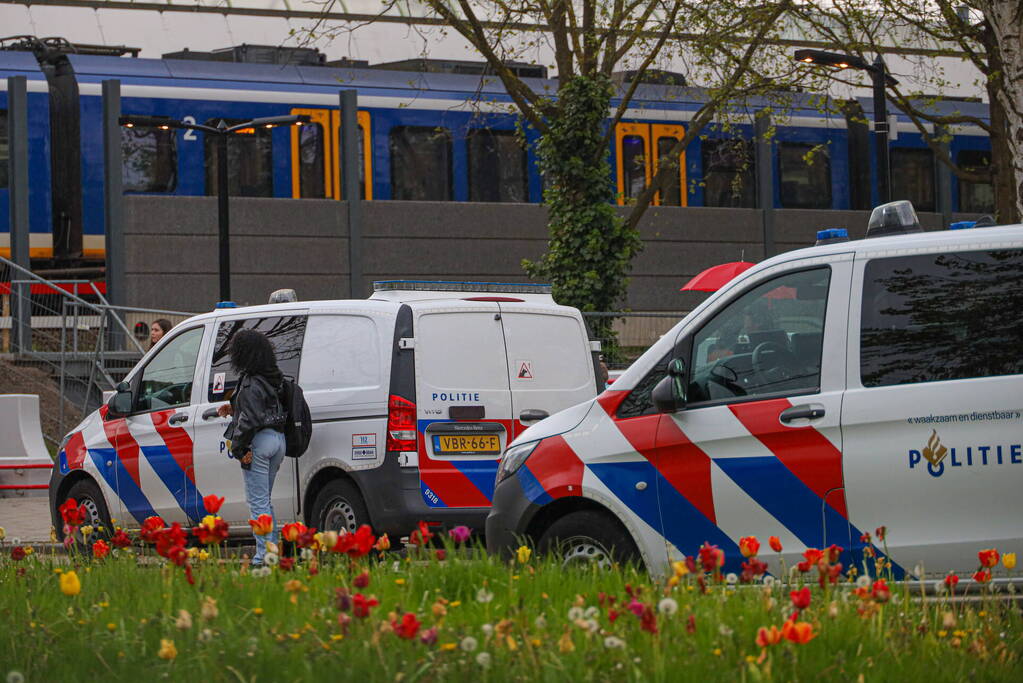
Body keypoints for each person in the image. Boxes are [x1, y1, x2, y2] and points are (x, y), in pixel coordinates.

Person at [217, 329, 287, 566]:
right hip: (278, 440)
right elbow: (262, 409)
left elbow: (251, 420)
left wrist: (239, 449)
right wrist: (233, 409)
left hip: (258, 442)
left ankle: (263, 557)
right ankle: (272, 550)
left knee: (258, 503)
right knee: (264, 500)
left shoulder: (249, 382)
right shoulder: (273, 377)